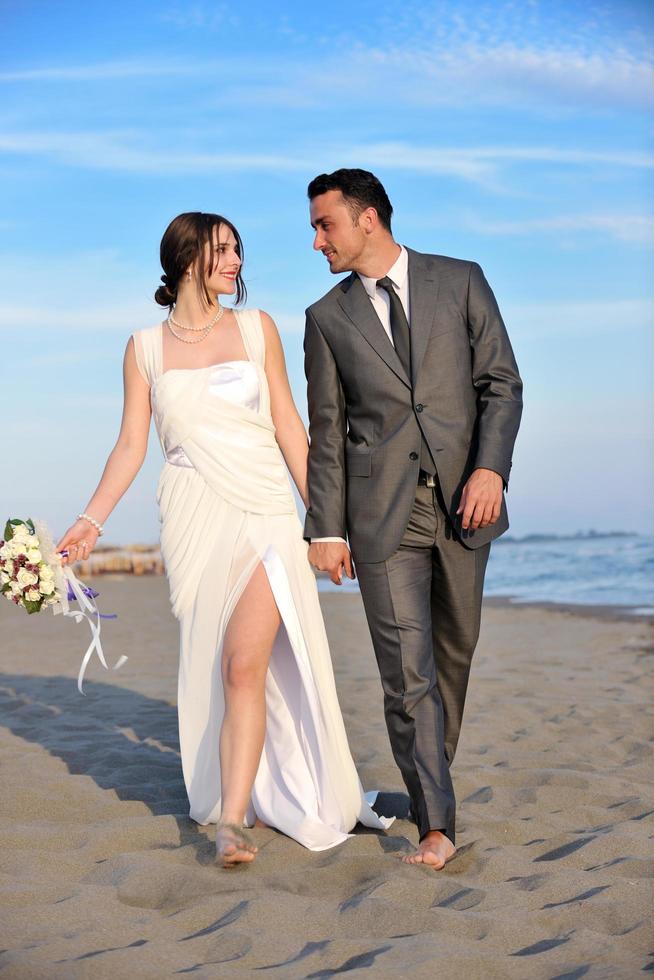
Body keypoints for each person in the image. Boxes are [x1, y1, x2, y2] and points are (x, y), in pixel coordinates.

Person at [56, 211, 391, 867]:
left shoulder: (256, 328)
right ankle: (254, 789)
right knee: (222, 671)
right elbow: (130, 446)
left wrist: (326, 523)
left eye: (238, 250)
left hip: (264, 508)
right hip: (192, 519)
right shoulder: (144, 348)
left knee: (245, 665)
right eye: (221, 250)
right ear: (186, 258)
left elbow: (293, 431)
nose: (236, 261)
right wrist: (89, 522)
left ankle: (231, 823)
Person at [303, 170, 523, 870]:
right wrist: (326, 529)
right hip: (380, 518)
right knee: (408, 671)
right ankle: (436, 820)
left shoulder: (461, 280)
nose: (316, 242)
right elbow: (328, 433)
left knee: (453, 655)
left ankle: (430, 778)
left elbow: (501, 383)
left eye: (325, 225)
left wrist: (491, 468)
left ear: (368, 218)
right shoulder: (326, 318)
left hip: (465, 503)